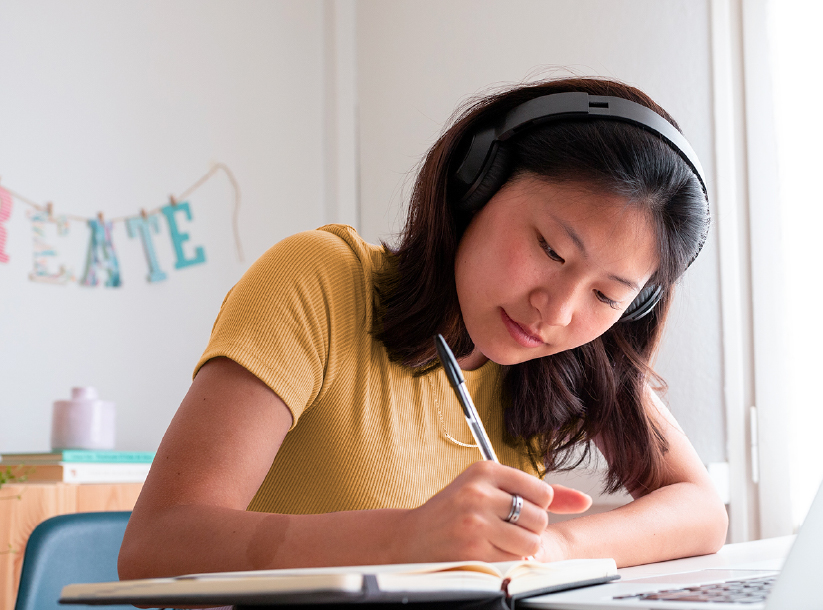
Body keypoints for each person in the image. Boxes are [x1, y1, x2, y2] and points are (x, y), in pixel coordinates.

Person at [118, 77, 727, 580]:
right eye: (549, 249)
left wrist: (553, 551)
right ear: (475, 184)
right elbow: (156, 546)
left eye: (605, 294)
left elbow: (701, 509)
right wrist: (407, 537)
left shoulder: (571, 355)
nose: (559, 311)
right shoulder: (318, 280)